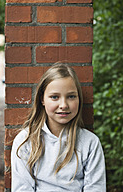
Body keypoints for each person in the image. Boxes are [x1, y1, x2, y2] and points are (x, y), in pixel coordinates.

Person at [11, 63, 106, 191]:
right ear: (42, 100)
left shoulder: (90, 142)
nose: (63, 105)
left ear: (79, 99)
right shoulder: (25, 140)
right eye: (54, 97)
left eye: (71, 96)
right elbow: (22, 188)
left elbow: (96, 188)